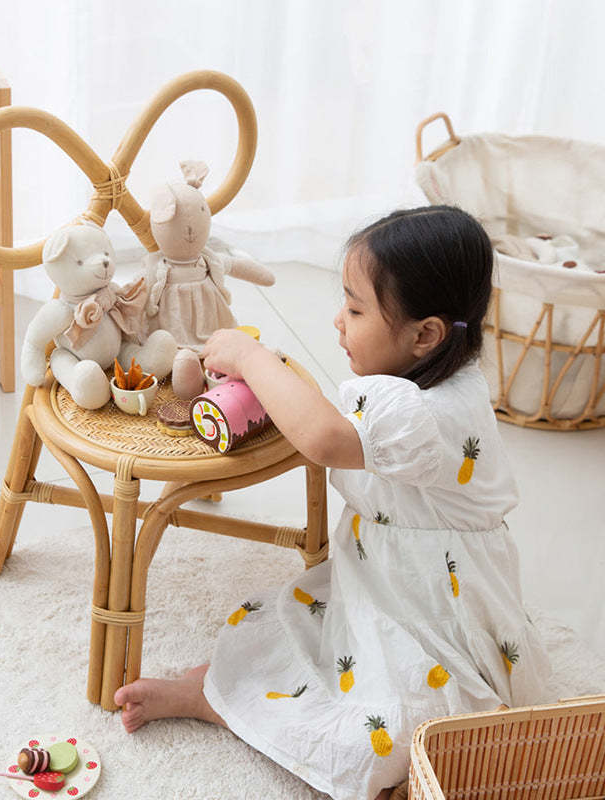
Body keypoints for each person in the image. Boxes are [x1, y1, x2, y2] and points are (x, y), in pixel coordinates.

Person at [114, 206, 552, 800]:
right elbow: (333, 425)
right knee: (286, 637)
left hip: (434, 609)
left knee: (390, 729)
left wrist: (250, 359)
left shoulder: (423, 414)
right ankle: (218, 693)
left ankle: (220, 703)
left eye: (356, 309)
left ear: (425, 335)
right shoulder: (422, 380)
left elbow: (323, 439)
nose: (339, 321)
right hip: (384, 581)